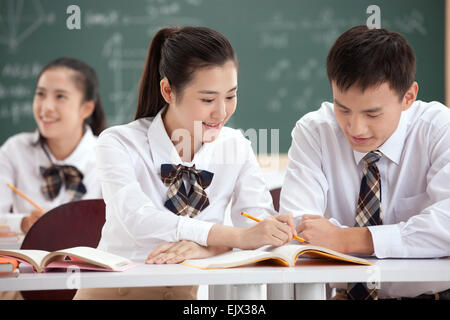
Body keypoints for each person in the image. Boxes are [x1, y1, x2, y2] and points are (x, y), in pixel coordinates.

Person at [73, 26, 296, 300]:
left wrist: (213, 247)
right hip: (113, 293)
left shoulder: (236, 146)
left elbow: (257, 227)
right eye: (207, 99)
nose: (222, 111)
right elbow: (140, 220)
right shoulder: (118, 142)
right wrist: (234, 238)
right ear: (168, 90)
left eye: (231, 95)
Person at [280, 25, 450, 300]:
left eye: (372, 114)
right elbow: (298, 226)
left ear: (408, 97)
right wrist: (414, 236)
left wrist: (346, 239)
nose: (355, 128)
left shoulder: (438, 128)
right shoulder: (315, 131)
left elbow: (447, 225)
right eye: (343, 109)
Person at [0, 57, 106, 299]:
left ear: (86, 108)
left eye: (60, 96)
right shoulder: (14, 150)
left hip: (91, 280)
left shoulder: (106, 155)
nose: (46, 107)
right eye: (40, 94)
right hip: (22, 280)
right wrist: (23, 222)